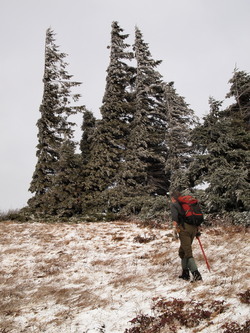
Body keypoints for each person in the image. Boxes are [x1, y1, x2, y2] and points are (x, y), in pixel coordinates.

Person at [170, 190, 202, 282]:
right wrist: (197, 231)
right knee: (182, 251)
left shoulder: (174, 204)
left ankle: (197, 276)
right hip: (193, 228)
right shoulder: (188, 203)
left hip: (184, 229)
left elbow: (175, 218)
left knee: (187, 252)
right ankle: (185, 274)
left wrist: (174, 229)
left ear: (173, 198)